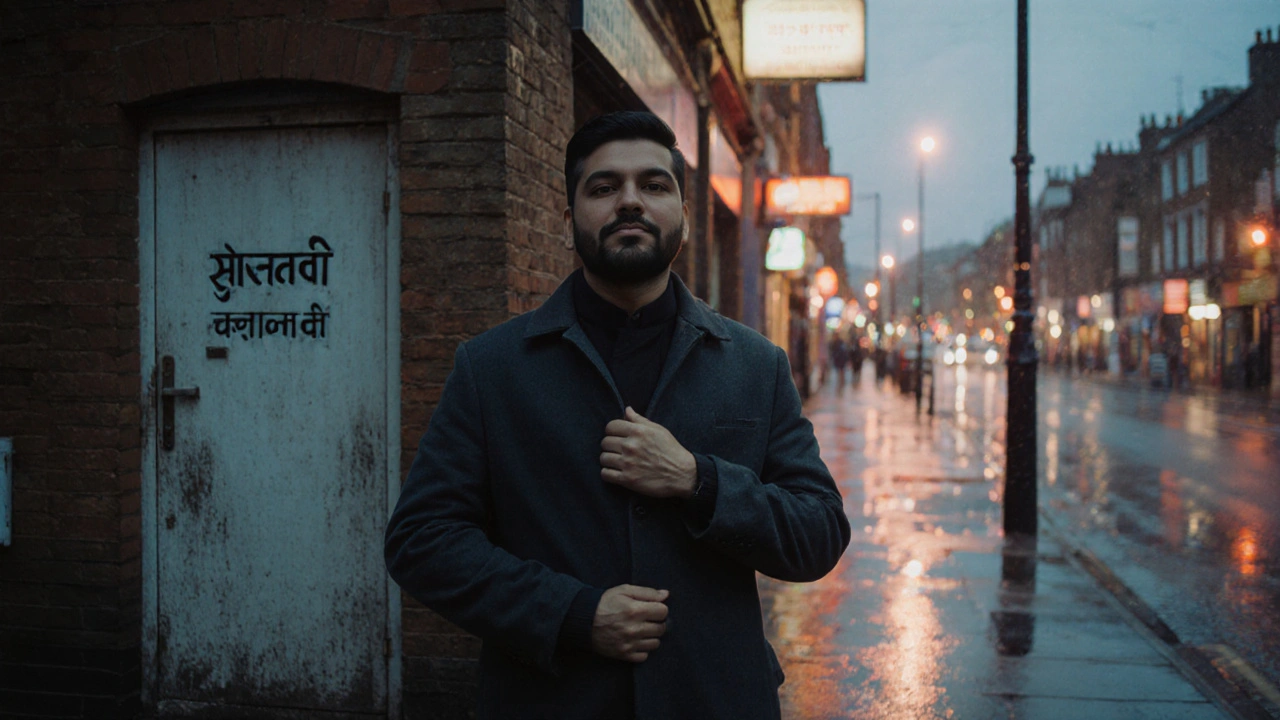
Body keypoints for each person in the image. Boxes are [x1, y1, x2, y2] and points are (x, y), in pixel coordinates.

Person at [384, 111, 851, 720]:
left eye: (654, 186)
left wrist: (698, 480)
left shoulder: (755, 365)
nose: (630, 202)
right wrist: (573, 614)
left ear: (685, 213)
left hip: (714, 698)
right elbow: (422, 541)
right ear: (570, 215)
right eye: (603, 188)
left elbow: (818, 533)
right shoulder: (492, 367)